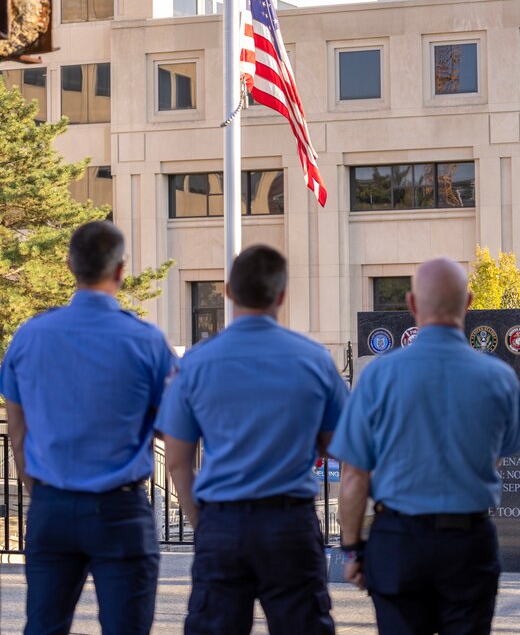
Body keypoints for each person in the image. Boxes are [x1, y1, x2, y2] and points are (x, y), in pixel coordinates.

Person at [156, 244, 348, 635]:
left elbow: (176, 460)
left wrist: (202, 522)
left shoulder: (196, 362)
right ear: (281, 295)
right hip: (290, 520)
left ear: (227, 291)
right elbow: (340, 444)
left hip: (223, 523)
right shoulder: (314, 359)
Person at [0, 221, 177, 635]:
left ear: (69, 266)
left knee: (44, 626)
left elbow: (18, 432)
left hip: (51, 505)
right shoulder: (147, 341)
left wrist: (40, 491)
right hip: (120, 509)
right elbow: (176, 430)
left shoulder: (29, 336)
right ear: (120, 270)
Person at [330, 257, 520, 635]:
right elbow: (496, 457)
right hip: (469, 542)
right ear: (467, 302)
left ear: (412, 303)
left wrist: (351, 550)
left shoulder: (379, 376)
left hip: (399, 542)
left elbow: (353, 477)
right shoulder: (500, 378)